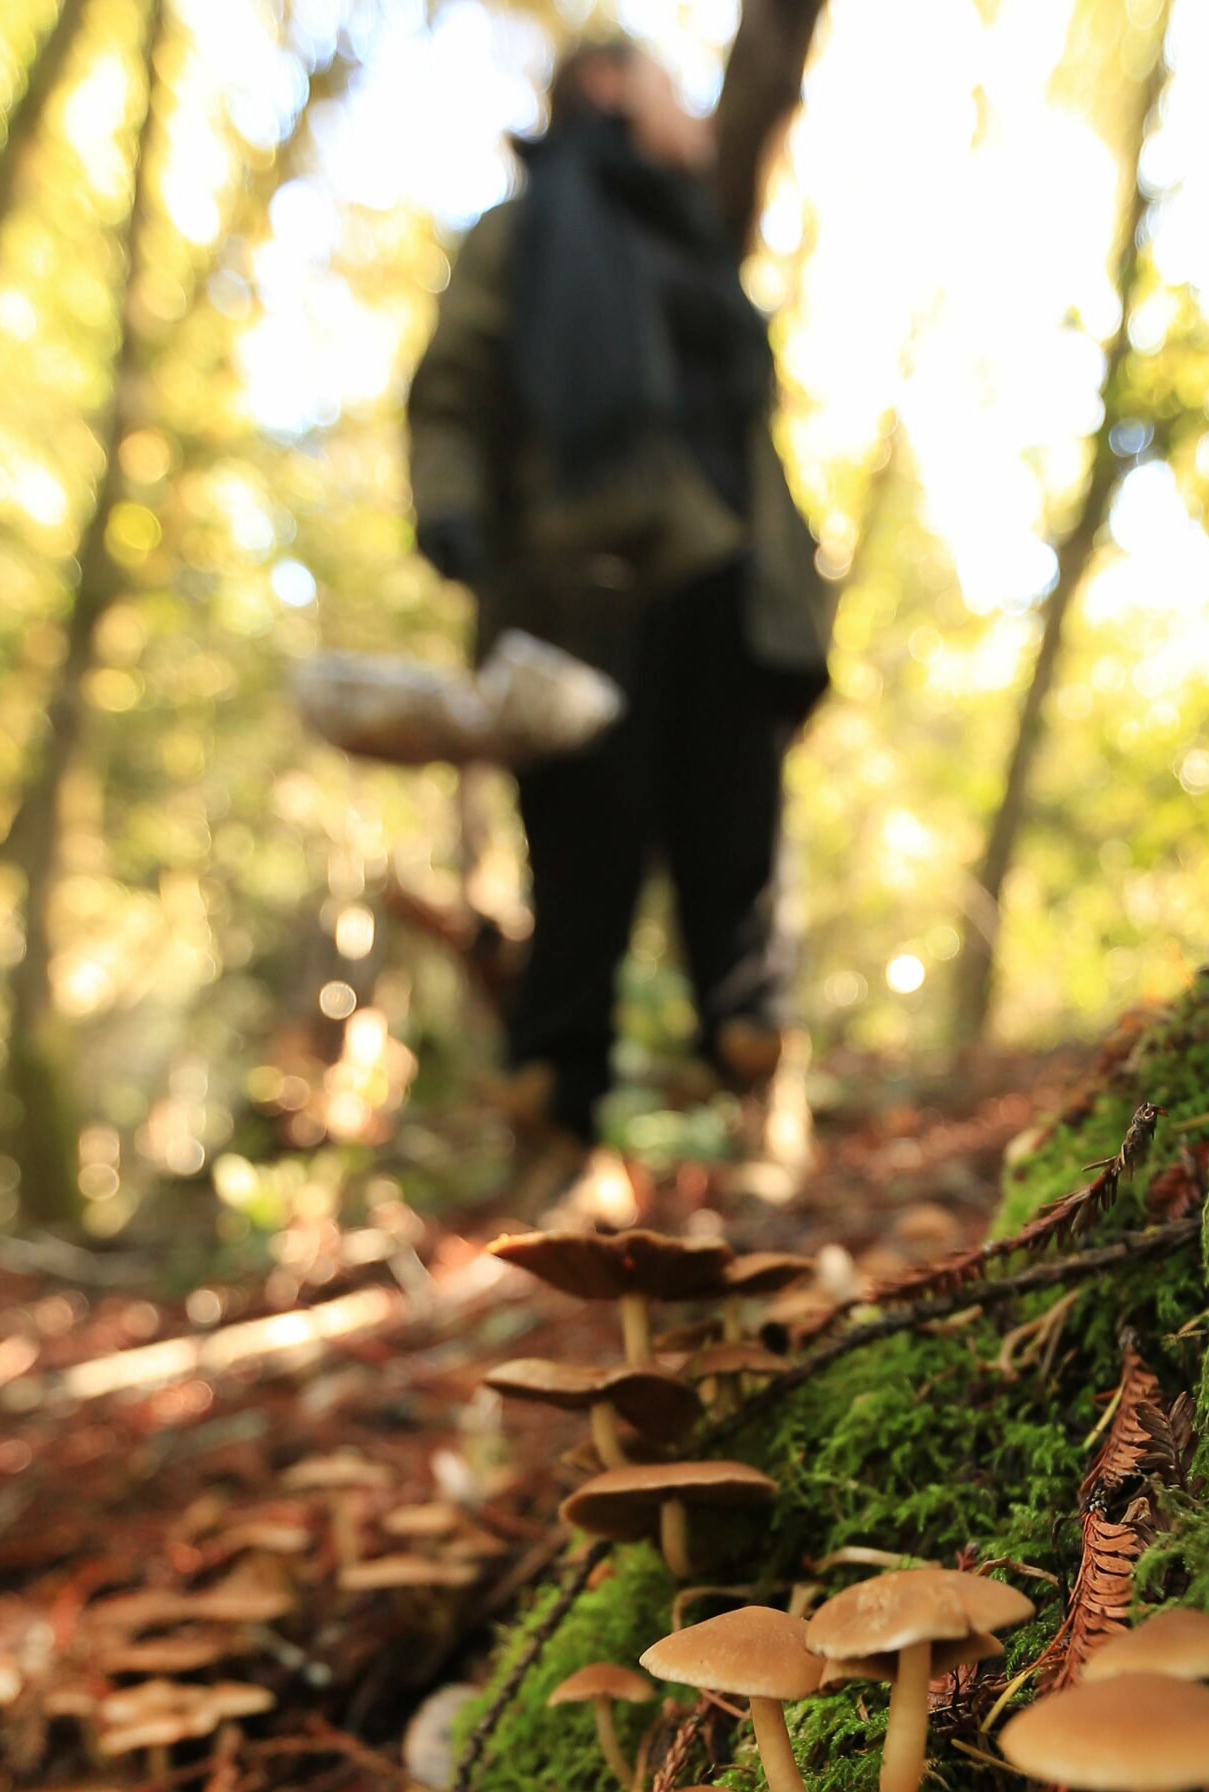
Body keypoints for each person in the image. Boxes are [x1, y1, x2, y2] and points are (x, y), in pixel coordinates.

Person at [406, 37, 833, 1199]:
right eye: (663, 82)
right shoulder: (526, 232)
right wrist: (449, 507)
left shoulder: (697, 246)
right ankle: (558, 1148)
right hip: (576, 595)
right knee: (583, 872)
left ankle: (761, 1120)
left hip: (731, 594)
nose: (690, 107)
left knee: (734, 861)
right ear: (603, 89)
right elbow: (455, 383)